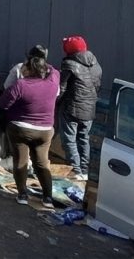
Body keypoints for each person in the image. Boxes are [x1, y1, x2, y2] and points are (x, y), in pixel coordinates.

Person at [0, 45, 60, 208]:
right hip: (45, 130)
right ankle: (48, 198)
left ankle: (22, 194)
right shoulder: (54, 79)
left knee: (21, 161)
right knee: (42, 163)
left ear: (28, 69)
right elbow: (53, 71)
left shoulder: (21, 85)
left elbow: (3, 103)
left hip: (21, 128)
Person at [57, 36, 103, 181]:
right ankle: (84, 171)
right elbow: (97, 87)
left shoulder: (68, 64)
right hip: (89, 108)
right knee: (84, 139)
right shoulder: (95, 64)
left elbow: (61, 89)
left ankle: (75, 171)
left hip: (71, 108)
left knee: (69, 140)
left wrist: (54, 103)